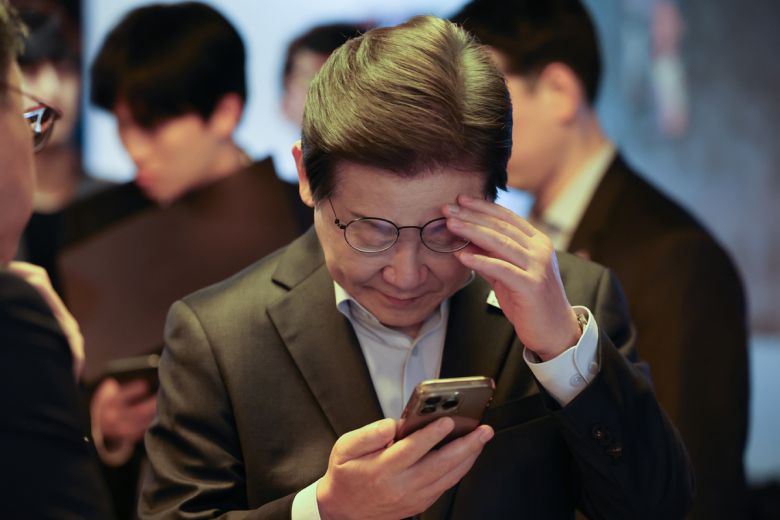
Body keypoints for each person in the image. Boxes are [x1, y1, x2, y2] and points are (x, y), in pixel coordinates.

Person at [140, 15, 693, 519]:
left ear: (494, 195)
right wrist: (326, 511)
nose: (406, 274)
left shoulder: (576, 299)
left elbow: (660, 508)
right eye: (370, 230)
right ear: (307, 179)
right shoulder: (218, 336)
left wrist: (562, 352)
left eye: (443, 231)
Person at [452, 1, 749, 518]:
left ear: (559, 91)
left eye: (481, 102)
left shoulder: (676, 258)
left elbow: (693, 488)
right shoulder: (518, 238)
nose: (462, 129)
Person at [67, 3, 302, 518]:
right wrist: (103, 425)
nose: (134, 149)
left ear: (225, 112)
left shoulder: (307, 219)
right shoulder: (96, 230)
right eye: (122, 125)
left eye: (152, 126)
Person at [0, 1, 113, 517]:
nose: (51, 89)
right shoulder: (15, 304)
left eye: (63, 67)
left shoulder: (112, 204)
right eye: (28, 75)